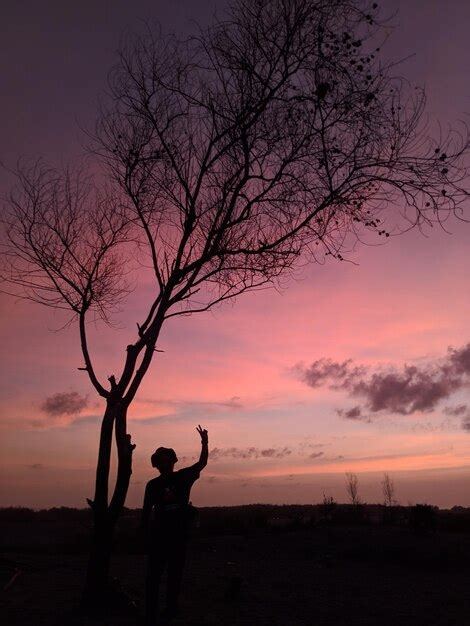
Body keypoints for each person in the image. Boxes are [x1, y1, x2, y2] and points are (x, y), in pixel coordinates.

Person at [141, 425, 209, 624]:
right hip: (159, 536)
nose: (163, 461)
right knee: (155, 576)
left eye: (165, 457)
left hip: (177, 535)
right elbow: (146, 511)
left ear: (171, 460)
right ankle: (152, 612)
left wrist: (204, 442)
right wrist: (143, 533)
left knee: (173, 576)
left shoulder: (182, 476)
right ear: (157, 464)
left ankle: (169, 609)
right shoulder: (152, 485)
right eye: (160, 459)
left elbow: (202, 462)